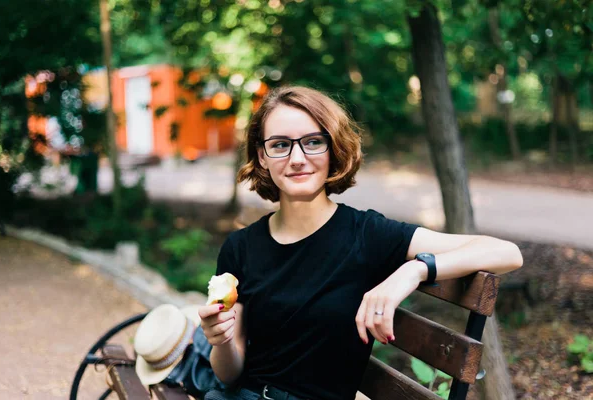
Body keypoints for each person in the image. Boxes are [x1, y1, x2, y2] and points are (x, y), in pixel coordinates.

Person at [197, 86, 523, 400]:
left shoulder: (367, 234)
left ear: (332, 150)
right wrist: (221, 341)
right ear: (263, 157)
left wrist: (414, 271)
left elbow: (506, 253)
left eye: (312, 142)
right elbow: (228, 374)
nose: (297, 158)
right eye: (281, 145)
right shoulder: (239, 248)